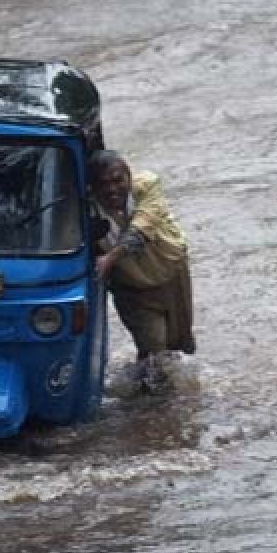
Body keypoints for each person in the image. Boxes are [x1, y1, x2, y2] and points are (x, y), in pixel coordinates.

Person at [89, 150, 196, 388]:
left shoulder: (147, 186)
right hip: (132, 288)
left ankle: (156, 396)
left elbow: (141, 230)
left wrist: (109, 258)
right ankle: (155, 402)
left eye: (118, 180)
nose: (112, 189)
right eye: (103, 184)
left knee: (180, 343)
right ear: (93, 187)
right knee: (153, 347)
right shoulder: (85, 210)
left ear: (129, 177)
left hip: (171, 273)